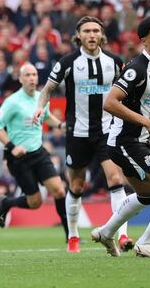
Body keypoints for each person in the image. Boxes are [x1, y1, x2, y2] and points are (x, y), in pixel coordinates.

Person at [32, 16, 134, 253]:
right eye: (87, 31)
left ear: (101, 35)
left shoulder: (114, 62)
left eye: (96, 30)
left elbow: (128, 92)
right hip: (77, 132)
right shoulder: (68, 62)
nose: (91, 35)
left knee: (116, 180)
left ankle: (122, 235)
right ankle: (73, 236)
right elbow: (47, 89)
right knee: (77, 186)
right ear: (78, 35)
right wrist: (39, 107)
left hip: (107, 131)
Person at [91, 15, 150, 259]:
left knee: (148, 196)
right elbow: (110, 103)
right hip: (125, 143)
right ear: (144, 41)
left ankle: (106, 232)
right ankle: (147, 242)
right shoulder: (137, 68)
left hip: (137, 142)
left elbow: (143, 107)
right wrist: (147, 123)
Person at [0, 63, 68, 236]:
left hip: (38, 152)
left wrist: (61, 125)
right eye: (27, 75)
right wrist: (12, 147)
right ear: (20, 79)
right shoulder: (12, 102)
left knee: (59, 190)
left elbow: (47, 116)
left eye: (34, 75)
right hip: (19, 158)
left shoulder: (42, 98)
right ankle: (6, 203)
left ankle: (70, 235)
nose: (32, 78)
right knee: (35, 203)